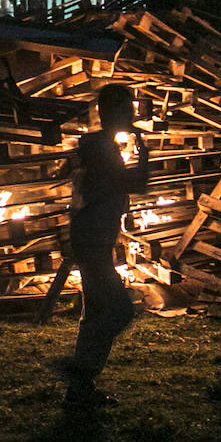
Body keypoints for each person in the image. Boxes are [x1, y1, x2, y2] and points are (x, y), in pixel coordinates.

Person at [52, 84, 149, 408]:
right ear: (114, 112)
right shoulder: (101, 147)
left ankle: (78, 393)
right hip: (92, 239)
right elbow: (136, 182)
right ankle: (80, 372)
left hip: (91, 238)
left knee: (94, 312)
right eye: (127, 109)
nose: (133, 115)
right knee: (120, 309)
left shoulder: (96, 143)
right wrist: (144, 147)